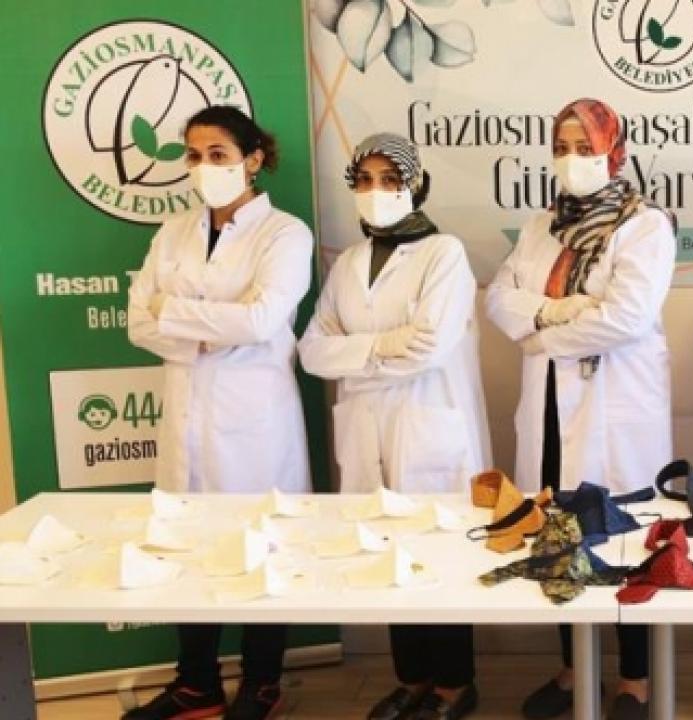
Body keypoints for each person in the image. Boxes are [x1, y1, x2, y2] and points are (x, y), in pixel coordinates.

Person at [485, 97, 676, 720]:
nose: (571, 159)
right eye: (561, 148)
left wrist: (540, 329)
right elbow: (499, 300)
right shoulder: (540, 224)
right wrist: (558, 311)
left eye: (585, 148)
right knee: (556, 534)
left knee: (624, 540)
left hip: (615, 409)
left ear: (614, 153)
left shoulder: (646, 225)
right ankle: (572, 669)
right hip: (547, 405)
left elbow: (626, 318)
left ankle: (635, 680)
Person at [124, 106, 312, 720]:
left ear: (252, 160)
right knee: (187, 544)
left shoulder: (285, 234)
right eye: (194, 155)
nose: (204, 166)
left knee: (261, 546)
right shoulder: (172, 232)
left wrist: (174, 312)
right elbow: (137, 322)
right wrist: (207, 334)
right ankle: (196, 683)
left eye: (218, 155)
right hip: (186, 411)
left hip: (254, 419)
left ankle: (263, 682)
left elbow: (261, 320)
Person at [298, 133, 491, 720]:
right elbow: (312, 350)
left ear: (416, 184)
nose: (376, 191)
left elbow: (429, 346)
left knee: (439, 555)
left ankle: (454, 686)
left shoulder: (444, 253)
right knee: (388, 554)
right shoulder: (349, 263)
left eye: (390, 179)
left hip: (428, 427)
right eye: (364, 180)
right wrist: (384, 350)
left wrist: (356, 355)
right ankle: (412, 680)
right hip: (368, 430)